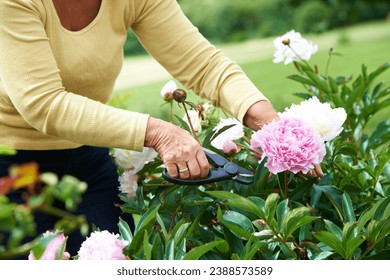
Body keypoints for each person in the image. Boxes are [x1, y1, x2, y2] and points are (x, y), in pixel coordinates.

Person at [0, 0, 320, 257]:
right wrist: (157, 132)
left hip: (88, 159)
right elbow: (43, 104)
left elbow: (203, 64)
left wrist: (272, 125)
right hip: (12, 173)